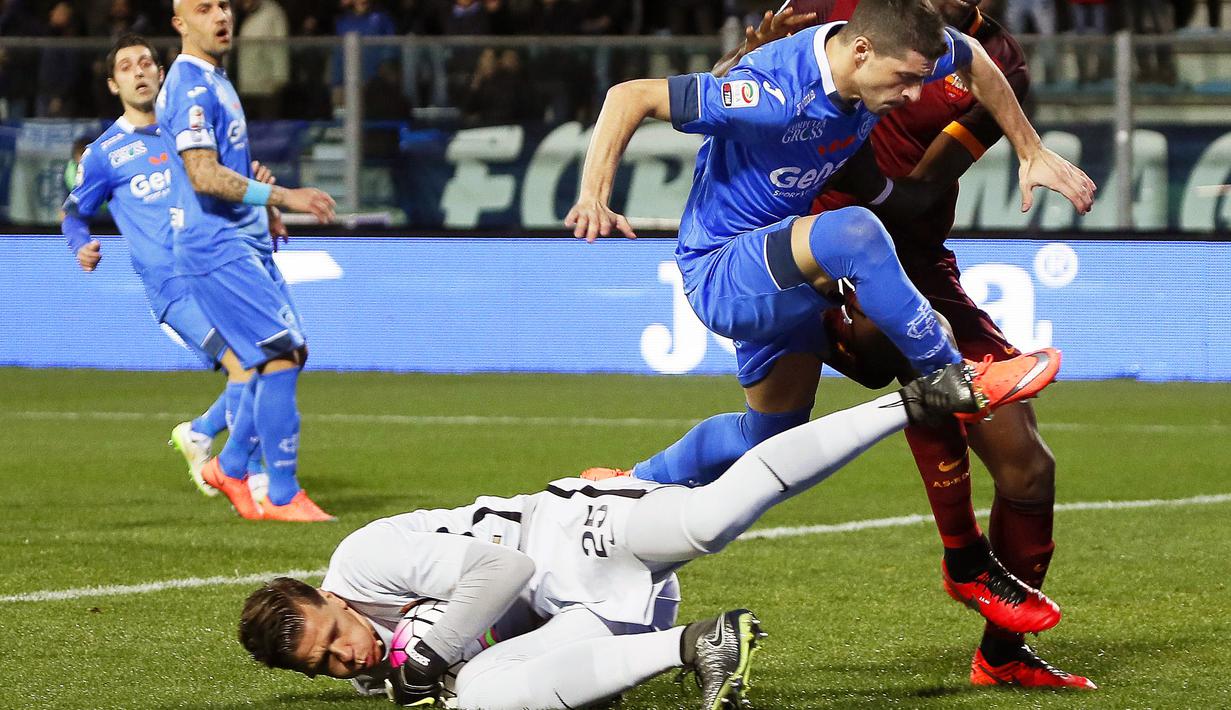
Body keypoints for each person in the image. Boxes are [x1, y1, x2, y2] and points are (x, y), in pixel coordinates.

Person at [590, 0, 1097, 688]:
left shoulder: (917, 46)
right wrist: (595, 195)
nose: (915, 98)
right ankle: (954, 386)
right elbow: (633, 94)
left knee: (764, 438)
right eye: (904, 82)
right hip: (727, 267)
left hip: (793, 278)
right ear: (858, 54)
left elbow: (972, 63)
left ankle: (633, 482)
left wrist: (1031, 149)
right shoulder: (773, 90)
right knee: (857, 239)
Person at [238, 353, 1059, 709]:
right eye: (325, 665)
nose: (345, 654)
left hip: (566, 533)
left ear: (327, 594)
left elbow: (498, 572)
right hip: (588, 613)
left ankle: (919, 397)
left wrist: (429, 655)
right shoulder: (371, 674)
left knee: (710, 516)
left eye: (333, 633)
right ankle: (698, 646)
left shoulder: (362, 559)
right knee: (478, 699)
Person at [60, 33, 270, 503]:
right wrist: (81, 244)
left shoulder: (191, 136)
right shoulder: (104, 154)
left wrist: (259, 191)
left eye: (146, 63)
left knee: (260, 364)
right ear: (114, 84)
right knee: (250, 365)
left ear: (160, 73)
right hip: (172, 287)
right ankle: (249, 474)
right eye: (127, 67)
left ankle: (202, 435)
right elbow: (73, 212)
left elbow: (223, 186)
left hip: (218, 269)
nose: (139, 71)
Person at [157, 0, 337, 521]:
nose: (221, 15)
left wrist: (263, 215)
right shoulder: (190, 85)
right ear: (180, 23)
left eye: (225, 5)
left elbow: (228, 170)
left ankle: (230, 465)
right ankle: (281, 494)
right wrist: (283, 198)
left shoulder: (215, 79)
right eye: (204, 7)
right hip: (214, 245)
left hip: (241, 238)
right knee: (278, 354)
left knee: (288, 354)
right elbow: (204, 176)